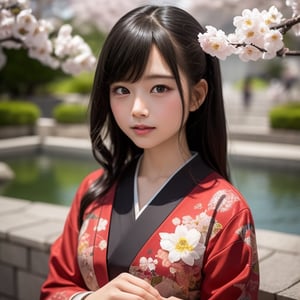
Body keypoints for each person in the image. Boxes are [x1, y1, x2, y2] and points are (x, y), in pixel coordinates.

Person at [40, 5, 259, 300]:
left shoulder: (227, 211)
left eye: (158, 88)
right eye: (121, 90)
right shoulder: (92, 190)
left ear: (197, 95)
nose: (137, 109)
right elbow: (54, 288)